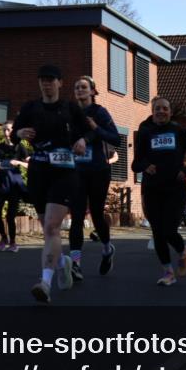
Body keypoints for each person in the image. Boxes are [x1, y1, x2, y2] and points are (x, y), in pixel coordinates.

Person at [14, 64, 94, 303]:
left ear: (60, 83)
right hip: (39, 171)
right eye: (42, 80)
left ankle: (45, 283)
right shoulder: (31, 107)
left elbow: (90, 132)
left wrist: (81, 139)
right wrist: (18, 134)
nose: (46, 84)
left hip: (64, 172)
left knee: (51, 228)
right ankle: (63, 262)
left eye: (50, 80)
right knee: (48, 230)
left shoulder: (70, 108)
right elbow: (14, 131)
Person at [132, 96, 186, 285]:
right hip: (152, 189)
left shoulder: (178, 131)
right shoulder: (146, 133)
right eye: (158, 109)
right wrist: (146, 166)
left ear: (170, 112)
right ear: (152, 111)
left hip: (175, 189)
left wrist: (185, 171)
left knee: (169, 229)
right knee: (157, 232)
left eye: (165, 108)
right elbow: (135, 164)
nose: (161, 111)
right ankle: (168, 273)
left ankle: (183, 251)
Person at [68, 75, 120, 281]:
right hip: (76, 170)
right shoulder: (71, 114)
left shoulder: (100, 112)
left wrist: (95, 128)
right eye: (76, 87)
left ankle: (107, 249)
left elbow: (116, 138)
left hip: (98, 170)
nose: (80, 90)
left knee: (97, 215)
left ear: (92, 91)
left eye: (84, 87)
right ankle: (75, 263)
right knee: (77, 216)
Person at [0, 120, 28, 252]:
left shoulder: (20, 147)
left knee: (10, 216)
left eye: (9, 129)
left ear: (14, 131)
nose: (6, 132)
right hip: (0, 184)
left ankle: (13, 242)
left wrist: (19, 162)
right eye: (4, 130)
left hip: (14, 185)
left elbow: (31, 165)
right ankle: (3, 238)